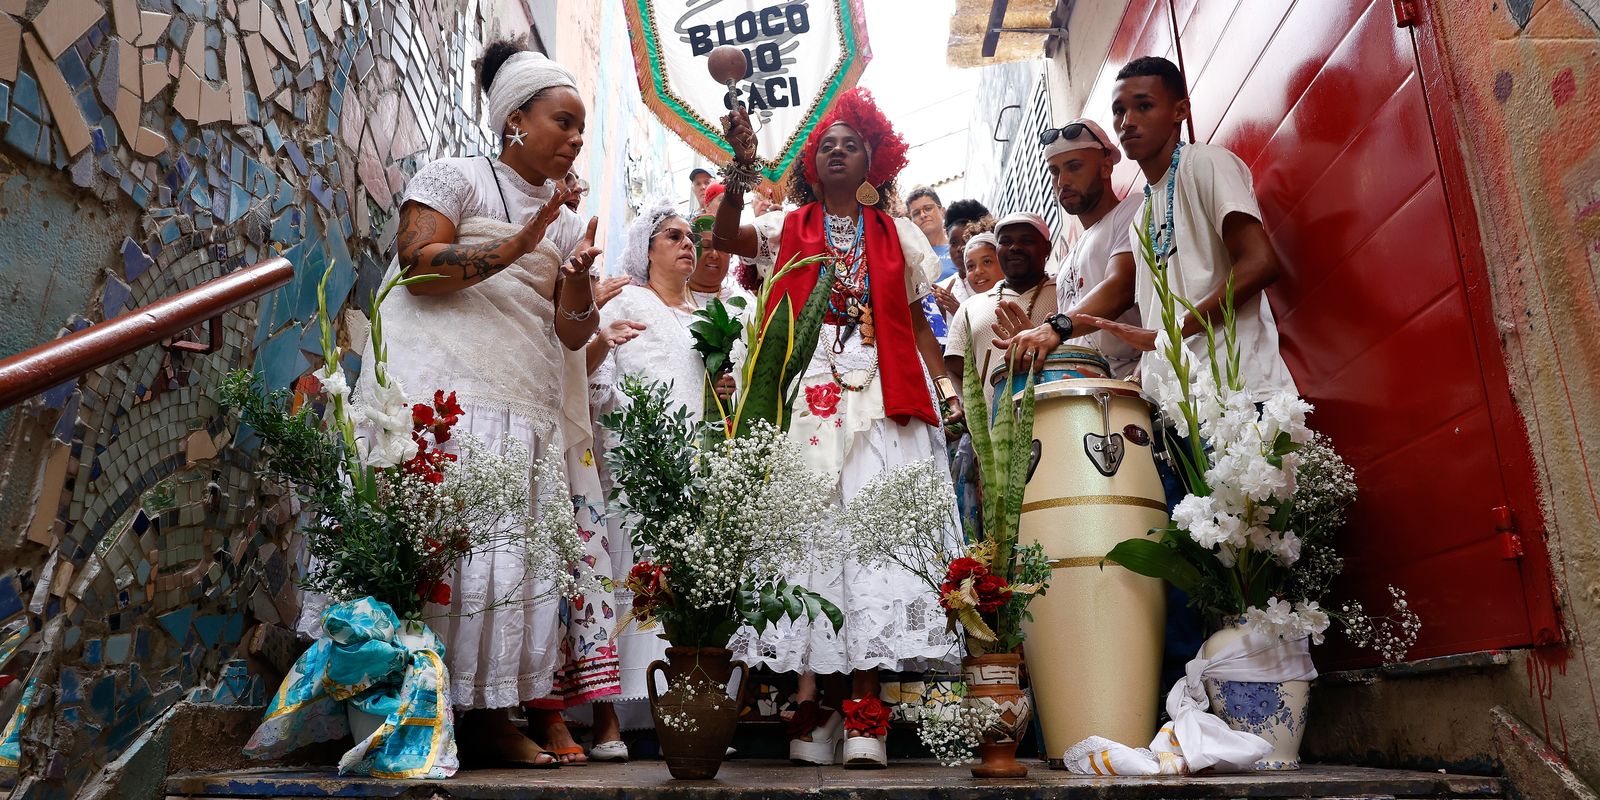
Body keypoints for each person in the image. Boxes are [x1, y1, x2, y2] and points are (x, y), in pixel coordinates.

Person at [710, 88, 963, 770]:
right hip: (807, 386)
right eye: (827, 144)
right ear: (811, 163)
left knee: (874, 540)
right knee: (812, 537)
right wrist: (738, 171)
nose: (839, 151)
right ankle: (813, 703)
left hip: (885, 390)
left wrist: (948, 392)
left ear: (874, 159)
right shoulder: (786, 227)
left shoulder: (900, 235)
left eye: (852, 143)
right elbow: (724, 238)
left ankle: (864, 706)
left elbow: (918, 326)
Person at [378, 41, 607, 767]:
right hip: (447, 392)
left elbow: (572, 333)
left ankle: (489, 715)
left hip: (522, 398)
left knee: (505, 560)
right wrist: (524, 240)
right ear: (514, 120)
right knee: (449, 550)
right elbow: (419, 269)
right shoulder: (454, 177)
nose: (575, 139)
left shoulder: (566, 220)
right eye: (563, 122)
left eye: (582, 128)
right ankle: (423, 707)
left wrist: (576, 278)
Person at [579, 199, 737, 761]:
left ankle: (688, 712)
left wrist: (724, 392)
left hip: (695, 465)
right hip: (633, 458)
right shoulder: (626, 298)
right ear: (645, 250)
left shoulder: (711, 314)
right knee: (623, 577)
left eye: (691, 237)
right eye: (673, 235)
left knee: (686, 586)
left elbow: (719, 392)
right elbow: (597, 375)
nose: (688, 244)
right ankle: (608, 719)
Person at [1088, 56, 1296, 398]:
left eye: (1143, 106)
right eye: (1119, 110)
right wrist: (1136, 380)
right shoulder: (1141, 215)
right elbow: (1156, 321)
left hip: (1238, 393)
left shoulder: (1205, 163)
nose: (1127, 121)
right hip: (1177, 406)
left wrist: (1169, 334)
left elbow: (1260, 263)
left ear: (1180, 111)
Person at [990, 118, 1142, 378]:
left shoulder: (1132, 210)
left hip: (1137, 386)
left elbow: (1122, 287)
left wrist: (1054, 328)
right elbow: (1078, 336)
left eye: (1074, 166)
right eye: (1055, 171)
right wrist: (1039, 340)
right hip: (1090, 389)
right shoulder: (1070, 257)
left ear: (1105, 167)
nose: (1062, 181)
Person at [945, 213, 1059, 408]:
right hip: (991, 425)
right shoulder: (969, 307)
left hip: (1058, 412)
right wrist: (964, 405)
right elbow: (953, 370)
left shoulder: (1064, 290)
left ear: (1046, 248)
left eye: (1026, 240)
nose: (1015, 247)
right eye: (1005, 241)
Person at [933, 199, 991, 318]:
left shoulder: (995, 282)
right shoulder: (941, 291)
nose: (960, 248)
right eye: (953, 243)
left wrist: (959, 312)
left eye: (966, 240)